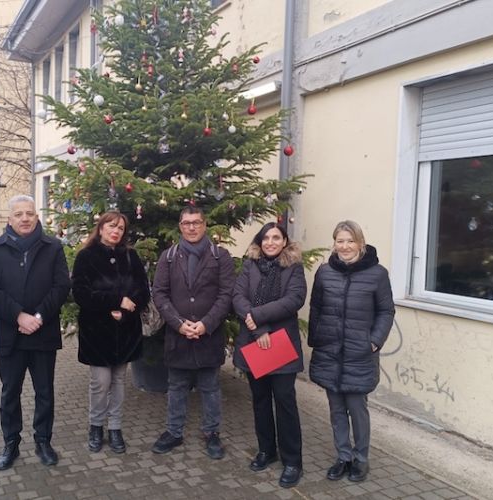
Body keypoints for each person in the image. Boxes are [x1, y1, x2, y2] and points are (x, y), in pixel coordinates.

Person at [0, 195, 70, 470]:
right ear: (9, 219)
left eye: (29, 213)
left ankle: (43, 440)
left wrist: (39, 317)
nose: (24, 218)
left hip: (43, 334)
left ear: (37, 216)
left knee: (44, 392)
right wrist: (19, 315)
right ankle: (11, 443)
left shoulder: (53, 247)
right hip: (11, 334)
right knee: (10, 393)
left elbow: (61, 286)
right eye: (18, 214)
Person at [308, 220, 395, 483]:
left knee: (357, 409)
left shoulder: (377, 273)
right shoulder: (324, 272)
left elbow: (386, 311)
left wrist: (374, 341)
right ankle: (343, 457)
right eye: (339, 241)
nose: (344, 246)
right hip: (330, 351)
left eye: (350, 241)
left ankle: (361, 459)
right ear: (334, 243)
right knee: (336, 409)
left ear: (360, 242)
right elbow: (316, 308)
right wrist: (316, 339)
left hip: (359, 353)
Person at [150, 206, 235, 459]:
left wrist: (206, 324)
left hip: (209, 334)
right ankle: (174, 432)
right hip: (178, 335)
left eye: (196, 222)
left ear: (205, 224)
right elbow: (159, 293)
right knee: (176, 386)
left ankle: (212, 434)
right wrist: (178, 323)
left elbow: (226, 294)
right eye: (186, 223)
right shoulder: (168, 257)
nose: (191, 227)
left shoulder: (221, 256)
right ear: (180, 226)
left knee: (210, 387)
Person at [232, 222, 306, 488]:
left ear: (284, 241)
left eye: (277, 237)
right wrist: (259, 328)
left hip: (282, 346)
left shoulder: (294, 268)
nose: (271, 242)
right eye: (266, 238)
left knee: (285, 403)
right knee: (260, 400)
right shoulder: (250, 265)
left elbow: (294, 300)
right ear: (260, 241)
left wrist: (258, 317)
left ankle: (293, 461)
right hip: (255, 343)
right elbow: (238, 296)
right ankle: (266, 450)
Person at [71, 211, 150, 454]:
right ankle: (96, 426)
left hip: (125, 331)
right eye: (111, 226)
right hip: (97, 332)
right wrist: (115, 302)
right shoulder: (86, 257)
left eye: (121, 228)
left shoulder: (131, 256)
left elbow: (143, 292)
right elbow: (81, 294)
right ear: (101, 227)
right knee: (100, 382)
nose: (116, 231)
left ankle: (115, 428)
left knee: (118, 381)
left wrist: (126, 310)